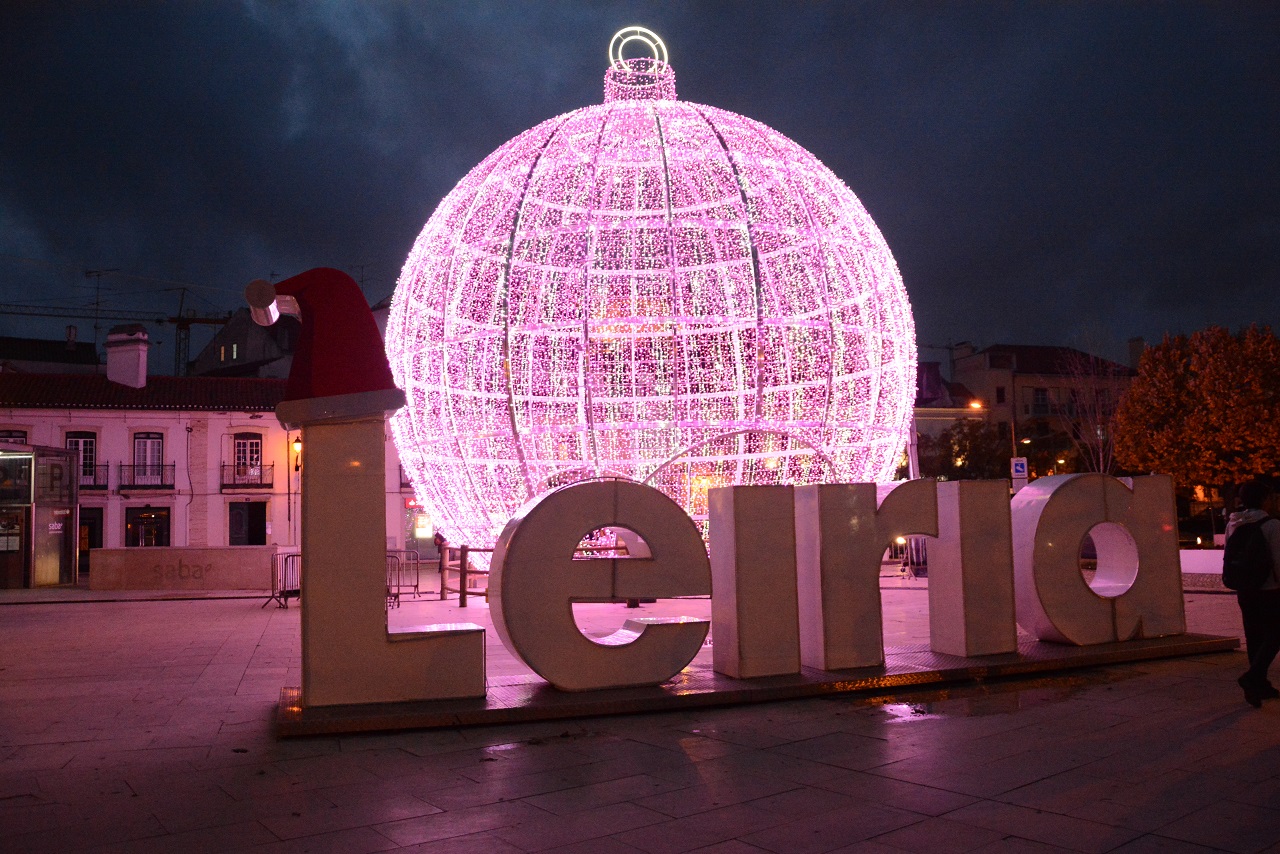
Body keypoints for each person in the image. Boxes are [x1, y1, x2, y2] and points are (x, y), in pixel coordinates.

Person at [1226, 479, 1280, 707]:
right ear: (1264, 499)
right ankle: (1253, 678)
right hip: (1269, 589)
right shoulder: (1272, 525)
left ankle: (1258, 686)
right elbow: (1278, 559)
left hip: (1244, 588)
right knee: (1276, 633)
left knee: (1254, 635)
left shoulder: (1233, 523)